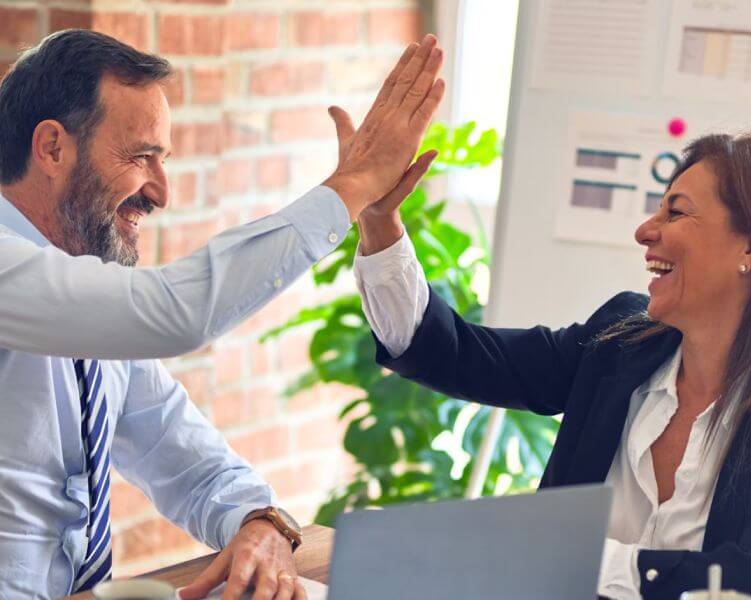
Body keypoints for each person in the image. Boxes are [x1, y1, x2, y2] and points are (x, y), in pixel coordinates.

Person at [0, 29, 443, 599]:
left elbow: (181, 453)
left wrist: (259, 522)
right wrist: (351, 187)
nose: (161, 192)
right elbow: (174, 313)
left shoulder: (87, 300)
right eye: (141, 158)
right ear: (53, 147)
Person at [352, 132, 751, 600]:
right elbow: (455, 354)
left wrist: (569, 557)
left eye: (677, 211)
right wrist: (378, 219)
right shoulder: (619, 343)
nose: (645, 231)